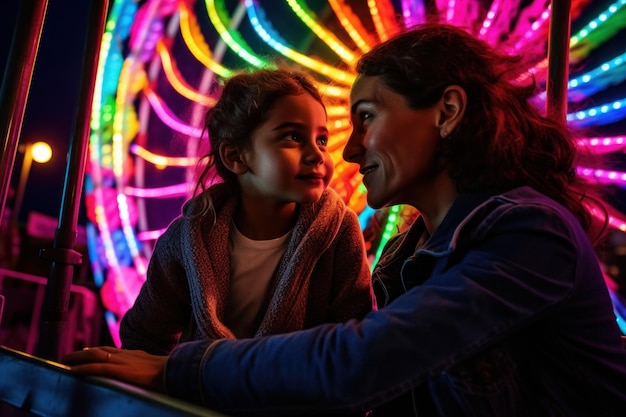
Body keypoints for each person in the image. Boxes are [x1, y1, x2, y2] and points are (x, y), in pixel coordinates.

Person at [63, 24, 626, 416]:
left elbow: (359, 360)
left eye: (365, 118)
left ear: (447, 113)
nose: (348, 153)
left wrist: (178, 371)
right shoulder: (408, 256)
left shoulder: (530, 233)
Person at [117, 68, 374, 355]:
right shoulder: (185, 241)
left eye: (321, 140)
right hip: (198, 396)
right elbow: (143, 336)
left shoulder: (339, 232)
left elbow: (354, 344)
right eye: (292, 137)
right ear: (236, 156)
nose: (317, 155)